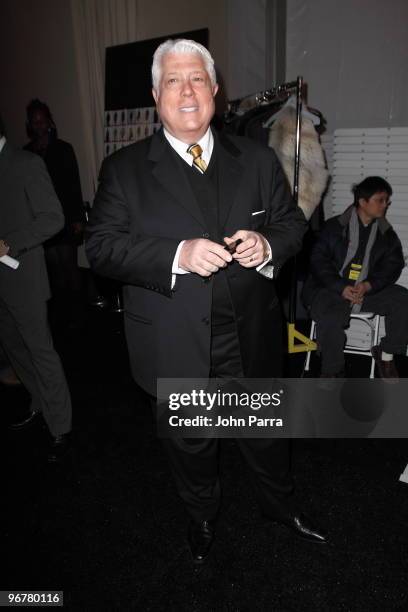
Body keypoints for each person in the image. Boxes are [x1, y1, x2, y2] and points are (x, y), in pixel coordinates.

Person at [86, 39, 326, 563]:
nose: (187, 90)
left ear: (215, 90)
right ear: (156, 94)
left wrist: (267, 246)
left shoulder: (259, 159)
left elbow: (291, 227)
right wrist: (177, 254)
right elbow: (100, 248)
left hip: (252, 336)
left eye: (197, 78)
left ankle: (280, 506)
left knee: (264, 435)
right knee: (192, 448)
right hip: (173, 341)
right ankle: (200, 516)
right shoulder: (123, 169)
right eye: (173, 80)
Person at [0, 112, 72, 461]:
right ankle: (39, 403)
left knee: (40, 350)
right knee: (14, 349)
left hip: (23, 276)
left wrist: (9, 243)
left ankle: (61, 425)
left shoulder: (25, 163)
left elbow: (53, 217)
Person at [302, 176, 408, 380]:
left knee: (402, 299)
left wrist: (369, 285)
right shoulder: (333, 227)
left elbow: (393, 265)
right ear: (362, 202)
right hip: (331, 290)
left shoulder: (386, 233)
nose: (385, 205)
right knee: (330, 316)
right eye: (381, 200)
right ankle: (332, 371)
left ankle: (385, 356)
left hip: (366, 291)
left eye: (387, 201)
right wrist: (341, 287)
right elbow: (318, 261)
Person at [24, 99, 85, 327]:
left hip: (66, 217)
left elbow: (73, 185)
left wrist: (79, 218)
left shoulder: (64, 149)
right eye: (34, 121)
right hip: (41, 219)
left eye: (42, 120)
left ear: (49, 121)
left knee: (70, 265)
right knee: (54, 269)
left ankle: (79, 314)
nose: (39, 125)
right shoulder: (26, 153)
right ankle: (65, 315)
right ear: (30, 124)